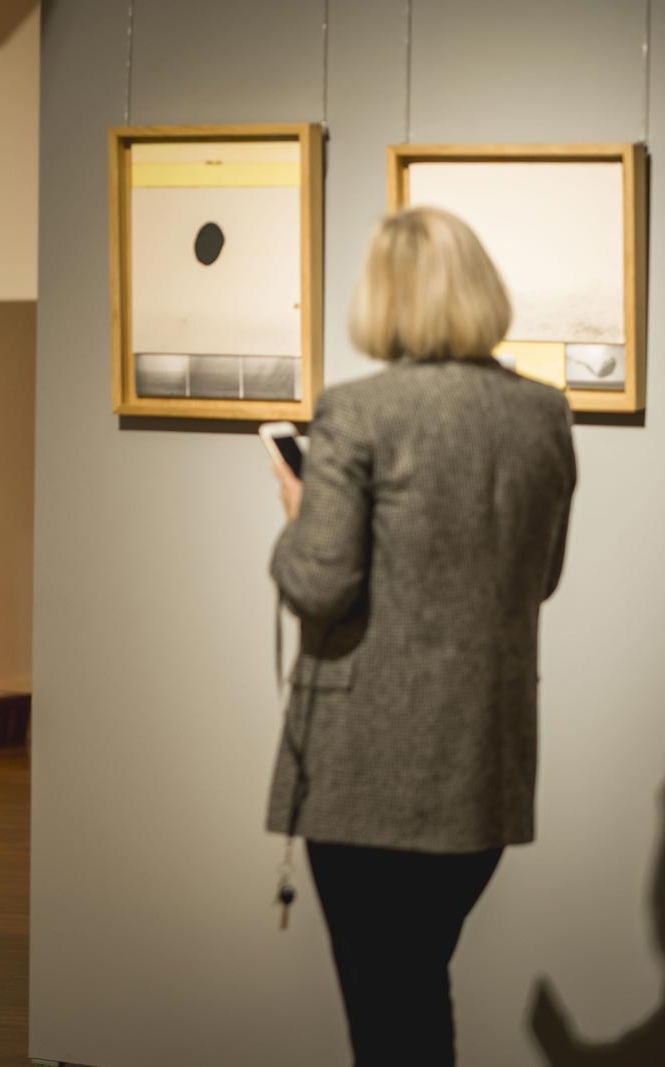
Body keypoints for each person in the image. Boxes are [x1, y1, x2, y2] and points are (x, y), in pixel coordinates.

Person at [267, 206, 577, 1066]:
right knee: (414, 989)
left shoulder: (359, 412)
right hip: (484, 762)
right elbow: (541, 578)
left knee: (389, 1015)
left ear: (386, 298)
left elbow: (317, 581)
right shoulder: (544, 414)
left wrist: (296, 514)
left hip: (368, 771)